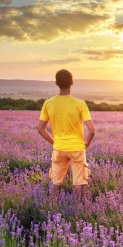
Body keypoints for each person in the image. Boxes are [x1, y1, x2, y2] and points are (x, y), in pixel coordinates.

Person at [38, 69, 95, 202]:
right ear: (71, 82)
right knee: (78, 182)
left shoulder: (48, 103)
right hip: (77, 147)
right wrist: (86, 143)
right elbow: (92, 131)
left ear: (56, 83)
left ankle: (54, 206)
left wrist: (54, 142)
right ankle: (78, 209)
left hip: (59, 148)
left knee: (56, 182)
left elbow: (40, 129)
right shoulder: (80, 104)